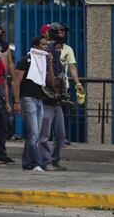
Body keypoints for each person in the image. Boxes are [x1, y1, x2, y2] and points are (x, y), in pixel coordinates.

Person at [13, 36, 55, 171]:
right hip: (27, 99)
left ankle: (27, 163)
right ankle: (36, 163)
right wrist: (17, 101)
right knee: (33, 134)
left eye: (47, 44)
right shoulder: (25, 61)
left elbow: (51, 82)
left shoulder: (43, 62)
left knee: (34, 133)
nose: (46, 47)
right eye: (43, 44)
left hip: (39, 99)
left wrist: (50, 64)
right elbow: (16, 82)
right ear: (36, 46)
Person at [38, 24, 68, 171]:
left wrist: (64, 95)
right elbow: (43, 80)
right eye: (60, 31)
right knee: (44, 135)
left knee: (61, 135)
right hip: (46, 102)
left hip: (57, 102)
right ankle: (45, 162)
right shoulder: (47, 50)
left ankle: (55, 160)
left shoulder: (59, 50)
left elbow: (61, 77)